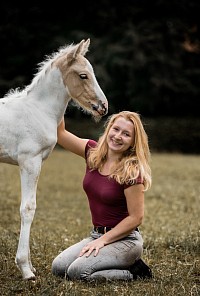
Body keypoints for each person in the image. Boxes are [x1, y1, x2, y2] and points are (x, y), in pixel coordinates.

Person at [52, 111, 152, 282]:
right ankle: (113, 261)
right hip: (96, 235)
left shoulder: (132, 171)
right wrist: (62, 96)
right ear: (109, 129)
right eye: (116, 129)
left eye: (126, 134)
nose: (118, 136)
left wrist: (103, 241)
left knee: (77, 272)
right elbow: (60, 134)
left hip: (126, 241)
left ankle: (136, 273)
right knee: (59, 267)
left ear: (133, 142)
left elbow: (136, 218)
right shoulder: (92, 152)